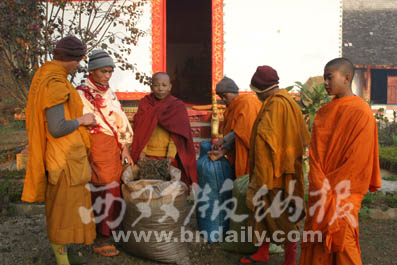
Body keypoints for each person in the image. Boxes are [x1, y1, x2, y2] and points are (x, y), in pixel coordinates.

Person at [21, 35, 97, 265]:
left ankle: (63, 257)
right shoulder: (54, 82)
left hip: (66, 158)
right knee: (61, 213)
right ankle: (62, 261)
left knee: (65, 211)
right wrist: (83, 120)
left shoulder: (49, 74)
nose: (78, 66)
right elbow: (57, 127)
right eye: (78, 61)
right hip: (62, 161)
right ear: (71, 59)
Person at [299, 58, 381, 265]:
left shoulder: (361, 113)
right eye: (324, 78)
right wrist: (319, 182)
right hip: (321, 187)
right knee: (317, 242)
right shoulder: (324, 112)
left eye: (329, 77)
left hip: (343, 193)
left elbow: (357, 161)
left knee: (343, 242)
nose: (325, 82)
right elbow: (316, 153)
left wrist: (329, 188)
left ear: (346, 78)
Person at [239, 66, 310, 265]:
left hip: (275, 174)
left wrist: (261, 179)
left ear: (263, 89)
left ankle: (290, 260)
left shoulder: (276, 105)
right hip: (284, 169)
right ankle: (262, 252)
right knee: (264, 214)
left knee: (282, 218)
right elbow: (303, 137)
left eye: (257, 91)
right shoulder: (288, 101)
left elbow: (265, 145)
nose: (256, 95)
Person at [76, 50, 133, 256]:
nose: (107, 75)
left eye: (110, 71)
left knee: (117, 188)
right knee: (104, 188)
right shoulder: (82, 93)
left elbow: (120, 119)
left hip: (115, 146)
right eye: (103, 71)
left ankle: (114, 230)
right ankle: (101, 238)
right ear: (92, 71)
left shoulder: (109, 92)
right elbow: (88, 123)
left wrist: (125, 146)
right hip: (97, 145)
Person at [130, 72, 197, 188]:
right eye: (156, 85)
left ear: (170, 87)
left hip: (168, 156)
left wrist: (170, 157)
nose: (160, 89)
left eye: (164, 85)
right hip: (146, 154)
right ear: (151, 87)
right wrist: (142, 152)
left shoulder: (176, 106)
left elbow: (177, 136)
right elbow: (141, 131)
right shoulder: (146, 103)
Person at [208, 76, 262, 178]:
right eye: (220, 97)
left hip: (254, 153)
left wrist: (223, 140)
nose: (223, 100)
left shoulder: (247, 103)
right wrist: (223, 151)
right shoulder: (232, 108)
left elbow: (243, 131)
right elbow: (237, 137)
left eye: (225, 96)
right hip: (239, 154)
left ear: (234, 92)